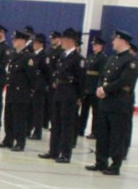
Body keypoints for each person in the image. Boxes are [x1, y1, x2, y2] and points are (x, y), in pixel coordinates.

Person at [86, 29, 137, 175]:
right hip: (106, 102)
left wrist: (106, 89)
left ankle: (115, 165)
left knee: (116, 135)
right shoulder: (113, 58)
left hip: (119, 103)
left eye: (115, 39)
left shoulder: (130, 60)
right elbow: (103, 75)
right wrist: (100, 88)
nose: (113, 42)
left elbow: (124, 80)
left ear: (123, 41)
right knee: (102, 133)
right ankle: (101, 161)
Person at [39, 28, 84, 163]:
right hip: (59, 91)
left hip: (70, 93)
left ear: (71, 41)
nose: (62, 42)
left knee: (66, 125)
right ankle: (54, 150)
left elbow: (81, 80)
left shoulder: (78, 59)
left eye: (64, 39)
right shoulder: (63, 56)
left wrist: (79, 97)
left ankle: (65, 153)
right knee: (56, 123)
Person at [0, 29, 35, 152]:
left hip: (21, 92)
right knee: (9, 116)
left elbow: (31, 77)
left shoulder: (28, 56)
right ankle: (8, 139)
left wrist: (29, 91)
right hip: (11, 90)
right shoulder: (14, 55)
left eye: (16, 39)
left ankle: (20, 142)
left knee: (19, 118)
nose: (13, 41)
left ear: (22, 41)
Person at [80, 36, 107, 138]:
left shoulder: (103, 58)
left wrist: (98, 87)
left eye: (96, 45)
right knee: (84, 110)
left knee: (95, 112)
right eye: (93, 45)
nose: (94, 47)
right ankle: (80, 128)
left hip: (94, 86)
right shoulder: (91, 57)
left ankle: (94, 131)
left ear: (101, 46)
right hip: (87, 86)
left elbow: (102, 74)